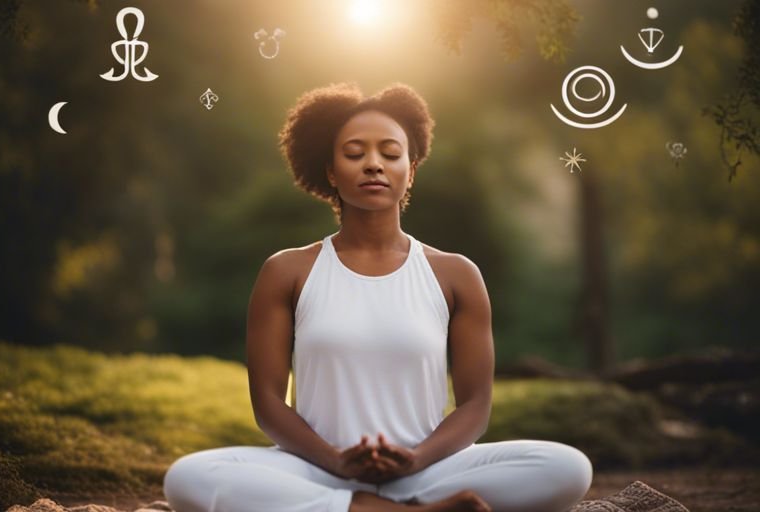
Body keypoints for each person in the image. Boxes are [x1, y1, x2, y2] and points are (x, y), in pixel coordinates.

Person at [162, 82, 593, 512]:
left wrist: (416, 459)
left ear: (411, 168)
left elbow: (476, 405)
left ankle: (363, 508)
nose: (373, 165)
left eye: (390, 153)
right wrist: (335, 461)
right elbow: (269, 404)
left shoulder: (456, 274)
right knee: (189, 478)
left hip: (428, 469)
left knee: (566, 467)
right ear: (331, 170)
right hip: (318, 469)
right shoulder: (287, 271)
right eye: (354, 153)